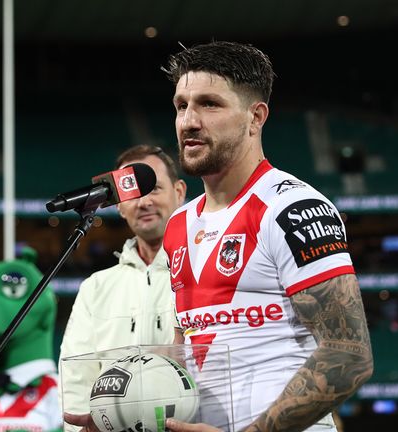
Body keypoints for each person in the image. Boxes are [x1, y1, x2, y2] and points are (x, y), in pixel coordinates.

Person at [160, 41, 374, 432]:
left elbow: (349, 354)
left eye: (209, 104)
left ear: (256, 117)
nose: (189, 121)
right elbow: (185, 351)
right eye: (181, 105)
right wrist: (125, 409)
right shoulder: (178, 224)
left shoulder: (294, 208)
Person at [59, 144, 187, 432]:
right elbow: (76, 377)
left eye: (154, 189)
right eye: (133, 194)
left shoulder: (203, 272)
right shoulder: (95, 288)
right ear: (118, 204)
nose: (144, 202)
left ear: (179, 193)